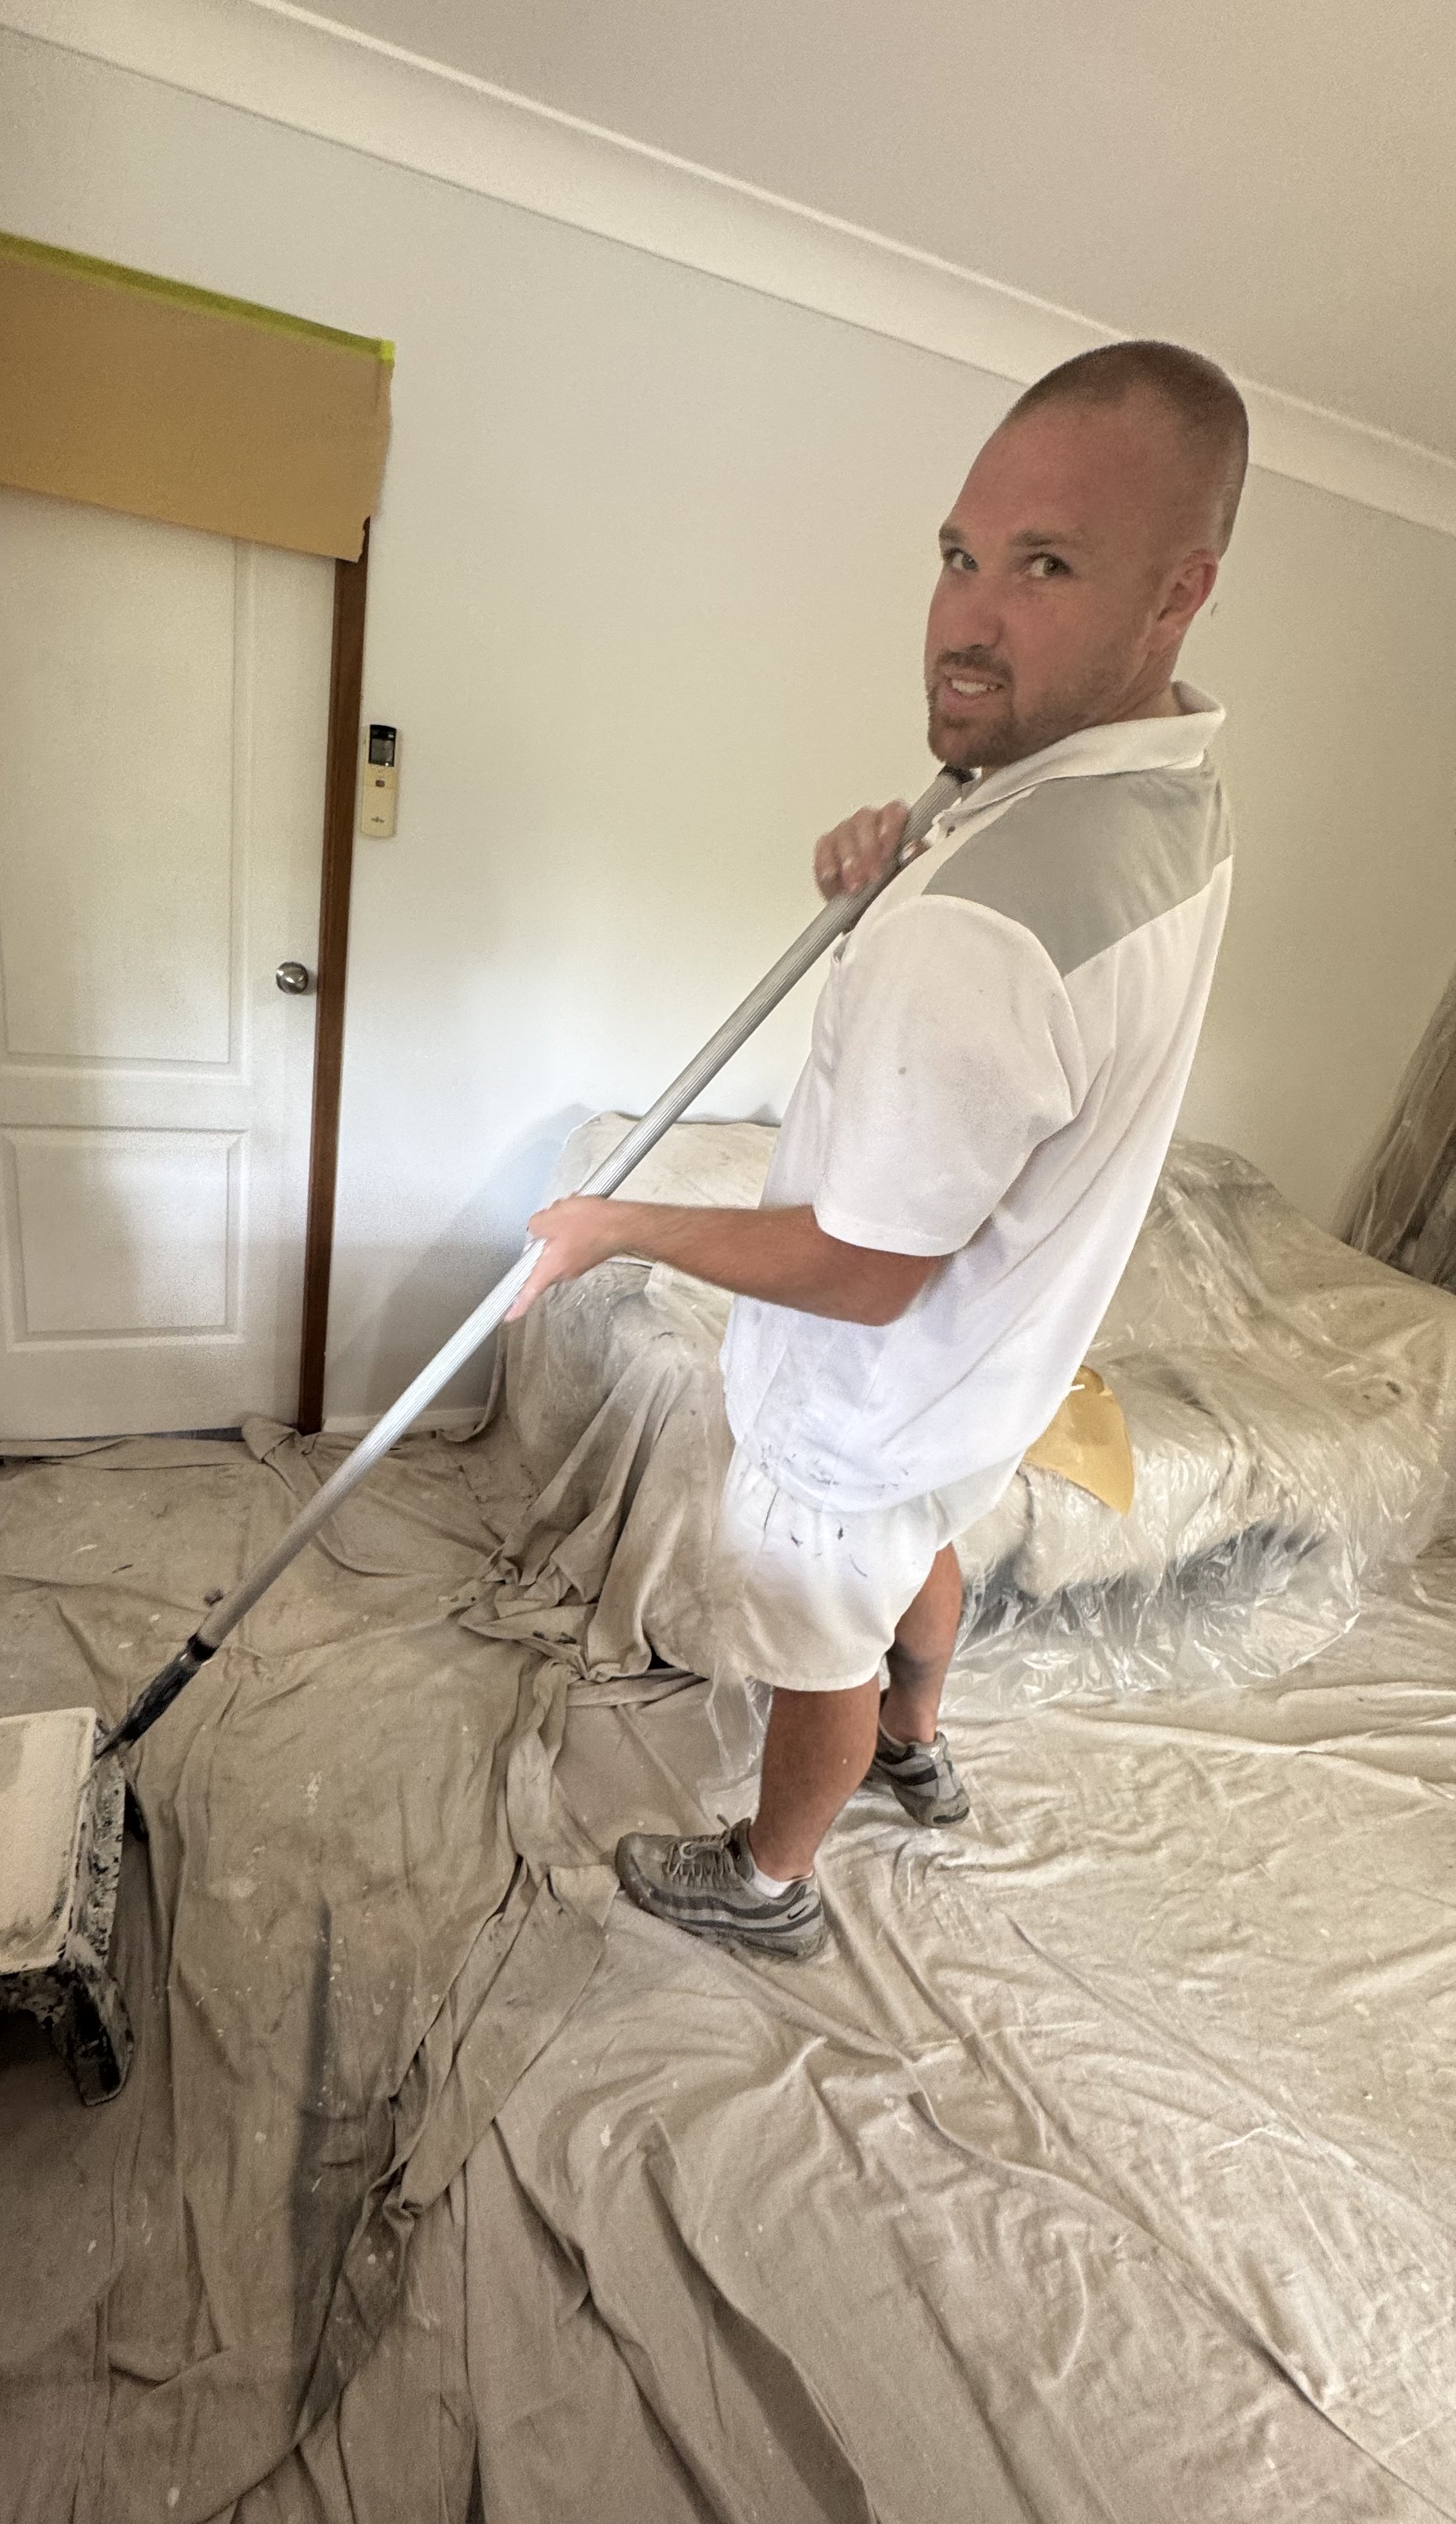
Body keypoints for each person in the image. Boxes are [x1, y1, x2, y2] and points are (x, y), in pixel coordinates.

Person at [506, 339, 1247, 1960]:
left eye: (1045, 566)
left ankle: (770, 1879)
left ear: (1176, 591)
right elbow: (1010, 956)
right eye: (958, 554)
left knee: (818, 1636)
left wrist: (620, 1225)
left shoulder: (981, 927)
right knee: (921, 1544)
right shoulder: (1168, 792)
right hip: (989, 1378)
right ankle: (918, 1746)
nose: (965, 617)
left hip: (871, 1394)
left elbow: (856, 1272)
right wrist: (903, 866)